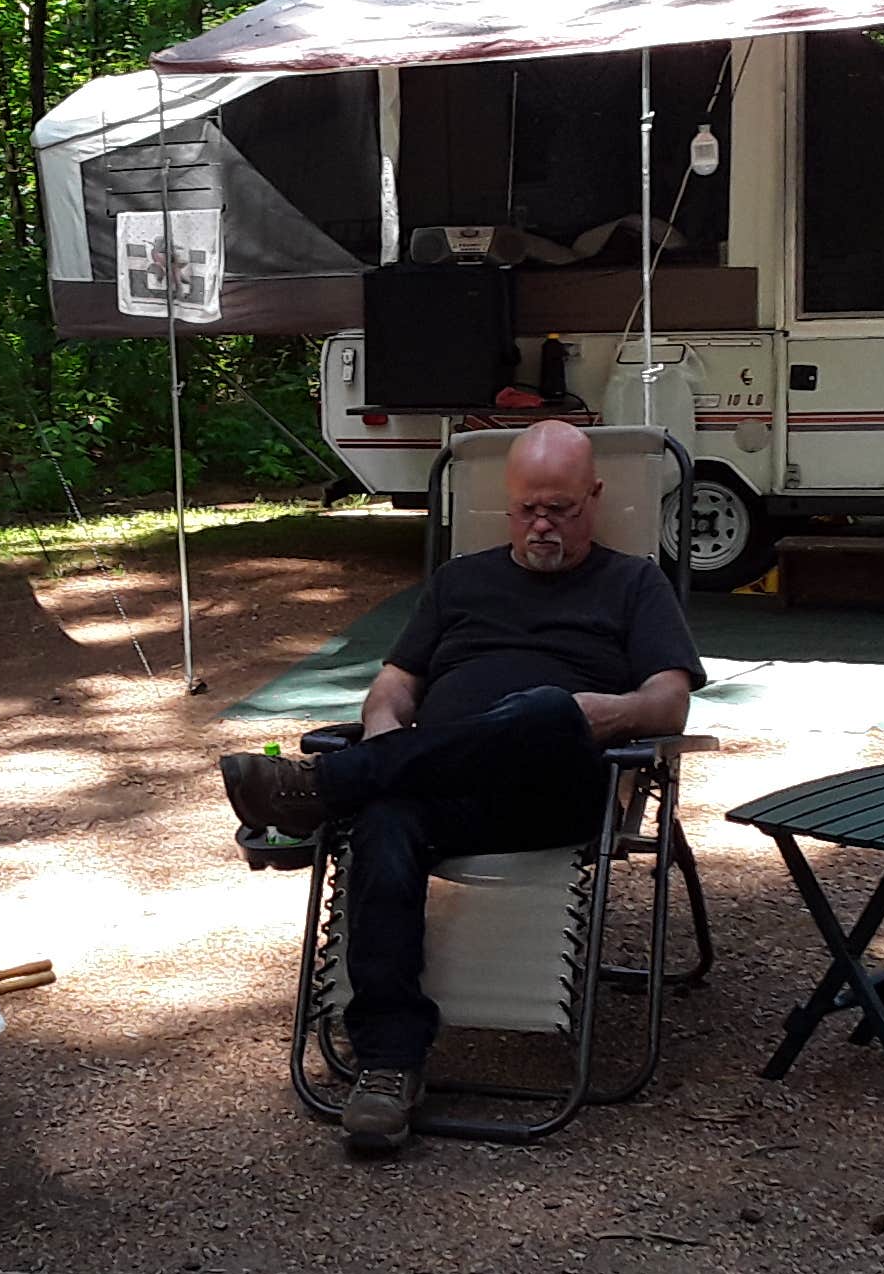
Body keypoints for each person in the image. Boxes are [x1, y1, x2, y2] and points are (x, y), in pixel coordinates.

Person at [220, 419, 703, 1152]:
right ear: (507, 503)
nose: (541, 524)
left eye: (561, 509)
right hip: (441, 796)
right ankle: (388, 1063)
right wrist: (390, 745)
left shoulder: (633, 583)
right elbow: (393, 686)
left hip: (556, 791)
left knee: (544, 711)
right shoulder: (459, 581)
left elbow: (669, 703)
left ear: (595, 498)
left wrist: (588, 716)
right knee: (383, 818)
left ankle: (322, 788)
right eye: (526, 508)